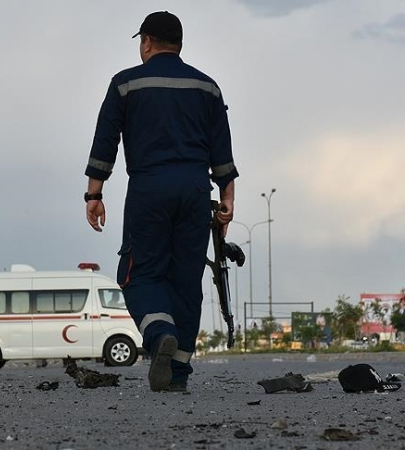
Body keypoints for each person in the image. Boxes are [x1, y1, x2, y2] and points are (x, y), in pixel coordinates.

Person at [84, 11, 237, 392]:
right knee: (186, 280)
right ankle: (177, 373)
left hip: (149, 188)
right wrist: (227, 202)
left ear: (147, 42)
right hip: (195, 190)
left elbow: (106, 139)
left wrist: (94, 193)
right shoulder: (208, 88)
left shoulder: (125, 84)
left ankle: (160, 333)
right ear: (179, 44)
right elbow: (223, 152)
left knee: (139, 274)